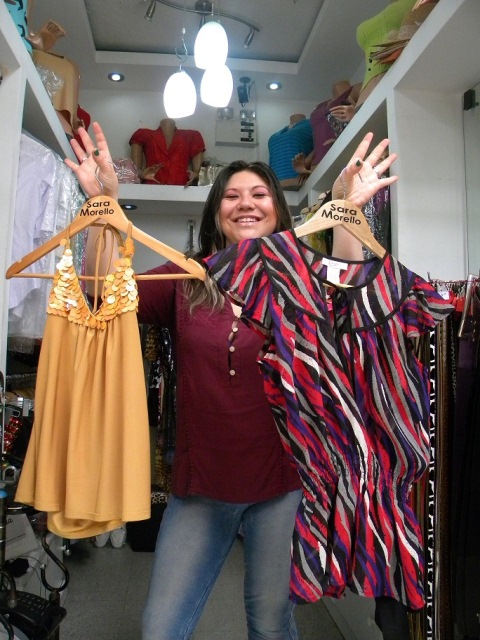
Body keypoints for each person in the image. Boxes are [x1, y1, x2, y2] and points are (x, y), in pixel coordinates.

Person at [66, 123, 405, 640]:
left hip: (283, 487)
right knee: (160, 628)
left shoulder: (305, 279)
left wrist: (346, 210)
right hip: (200, 489)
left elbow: (354, 299)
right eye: (231, 195)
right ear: (216, 213)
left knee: (270, 624)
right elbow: (99, 292)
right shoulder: (187, 277)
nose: (245, 204)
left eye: (259, 194)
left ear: (278, 210)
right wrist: (103, 204)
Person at [130, 117, 205, 186]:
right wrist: (141, 174)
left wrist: (195, 175)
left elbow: (199, 173)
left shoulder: (192, 136)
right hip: (152, 186)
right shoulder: (144, 134)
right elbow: (134, 173)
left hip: (181, 187)